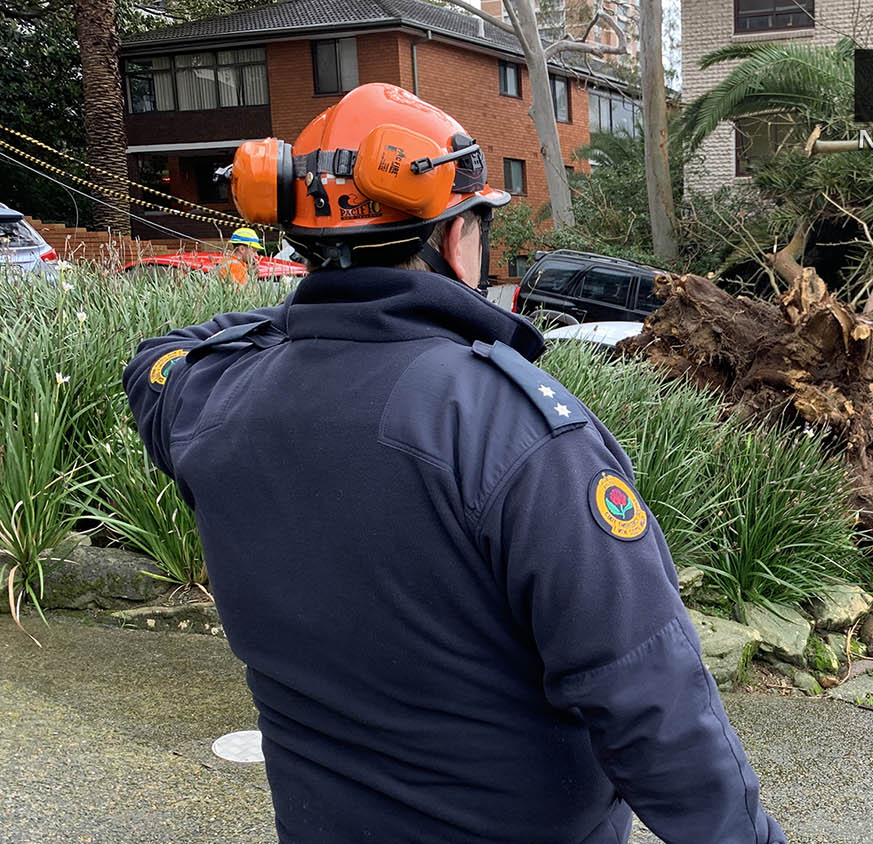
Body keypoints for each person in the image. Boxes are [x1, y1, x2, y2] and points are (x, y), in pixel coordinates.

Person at [122, 83, 785, 844]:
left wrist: (327, 306)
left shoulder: (215, 397)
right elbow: (648, 693)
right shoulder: (519, 433)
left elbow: (163, 356)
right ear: (457, 237)